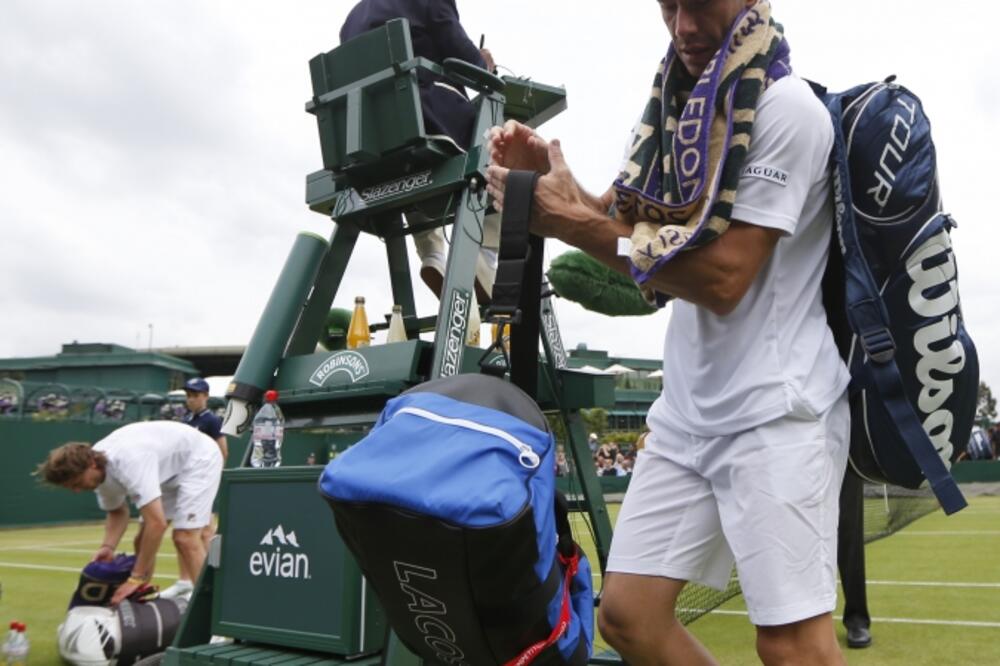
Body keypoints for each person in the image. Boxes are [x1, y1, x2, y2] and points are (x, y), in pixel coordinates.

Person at [486, 1, 851, 663]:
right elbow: (638, 245)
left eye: (700, 4)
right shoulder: (679, 113)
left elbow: (721, 276)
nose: (682, 26)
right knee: (627, 616)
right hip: (689, 416)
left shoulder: (787, 110)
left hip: (776, 411)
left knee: (792, 646)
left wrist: (569, 221)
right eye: (668, 4)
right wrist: (563, 194)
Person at [341, 0, 498, 303]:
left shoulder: (351, 19)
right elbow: (459, 51)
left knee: (412, 166)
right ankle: (485, 253)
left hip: (367, 143)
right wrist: (484, 65)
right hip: (424, 122)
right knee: (503, 150)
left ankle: (433, 253)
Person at [36, 421, 223, 605]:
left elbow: (156, 524)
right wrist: (108, 547)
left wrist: (136, 576)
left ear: (92, 464)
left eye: (77, 483)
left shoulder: (127, 462)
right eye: (71, 487)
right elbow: (117, 512)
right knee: (141, 541)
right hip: (168, 469)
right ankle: (140, 599)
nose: (77, 491)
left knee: (185, 538)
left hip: (200, 457)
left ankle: (214, 614)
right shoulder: (100, 473)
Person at [170, 376, 227, 599]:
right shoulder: (186, 421)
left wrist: (211, 479)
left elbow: (223, 450)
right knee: (188, 529)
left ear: (205, 397)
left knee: (205, 531)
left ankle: (209, 580)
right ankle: (185, 581)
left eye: (195, 395)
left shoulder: (212, 421)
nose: (191, 400)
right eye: (189, 396)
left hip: (203, 480)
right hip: (187, 481)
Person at [838, 468, 872, 649]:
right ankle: (800, 620)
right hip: (796, 452)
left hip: (845, 454)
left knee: (850, 533)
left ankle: (857, 618)